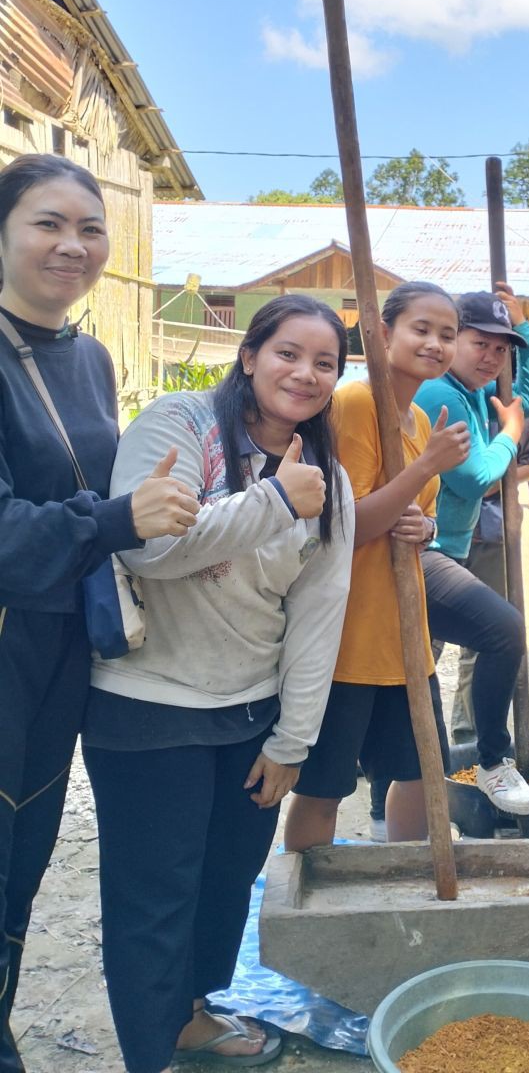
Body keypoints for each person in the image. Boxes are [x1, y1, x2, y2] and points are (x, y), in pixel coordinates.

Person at [83, 295, 355, 1073]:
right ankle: (150, 1050)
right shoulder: (179, 425)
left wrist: (292, 739)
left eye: (324, 362)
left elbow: (316, 618)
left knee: (224, 882)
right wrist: (271, 501)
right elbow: (145, 551)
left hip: (248, 712)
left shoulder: (326, 483)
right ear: (248, 356)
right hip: (147, 704)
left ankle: (191, 1013)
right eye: (286, 353)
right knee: (154, 896)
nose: (304, 373)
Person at [0, 154, 195, 1073]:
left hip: (63, 648)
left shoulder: (91, 356)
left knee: (23, 857)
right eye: (48, 223)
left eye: (89, 227)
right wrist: (116, 520)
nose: (72, 245)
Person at [284, 281, 470, 852]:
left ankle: (406, 878)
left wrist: (426, 527)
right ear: (382, 334)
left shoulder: (416, 419)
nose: (436, 344)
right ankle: (309, 904)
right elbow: (351, 526)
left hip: (402, 637)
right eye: (422, 329)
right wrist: (426, 468)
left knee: (421, 772)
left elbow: (419, 519)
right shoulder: (357, 403)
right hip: (347, 638)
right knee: (325, 785)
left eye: (447, 334)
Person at [414, 284, 529, 816]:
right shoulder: (441, 393)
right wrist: (511, 435)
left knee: (417, 673)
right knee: (502, 630)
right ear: (452, 343)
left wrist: (526, 329)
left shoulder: (471, 391)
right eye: (479, 343)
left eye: (502, 348)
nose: (492, 356)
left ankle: (388, 809)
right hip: (427, 550)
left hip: (449, 548)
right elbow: (473, 480)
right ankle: (494, 759)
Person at [450, 414, 529, 746]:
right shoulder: (453, 402)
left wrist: (495, 477)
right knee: (422, 647)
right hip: (445, 537)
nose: (487, 358)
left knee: (482, 641)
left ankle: (469, 733)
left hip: (493, 537)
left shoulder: (519, 412)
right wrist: (480, 477)